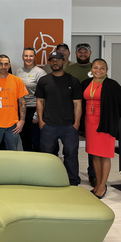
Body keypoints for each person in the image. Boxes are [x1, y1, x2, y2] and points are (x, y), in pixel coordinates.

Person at [35, 51, 82, 186]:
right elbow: (40, 101)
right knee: (47, 156)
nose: (55, 62)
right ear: (49, 62)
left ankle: (72, 181)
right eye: (52, 60)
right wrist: (41, 121)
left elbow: (77, 103)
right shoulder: (44, 80)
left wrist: (76, 123)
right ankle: (46, 180)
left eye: (58, 60)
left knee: (71, 155)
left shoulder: (73, 81)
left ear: (63, 61)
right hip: (48, 125)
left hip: (69, 126)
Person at [81, 58, 121, 199]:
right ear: (91, 69)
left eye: (102, 68)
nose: (98, 70)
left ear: (106, 70)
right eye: (95, 67)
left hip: (106, 123)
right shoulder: (86, 83)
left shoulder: (112, 85)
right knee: (94, 154)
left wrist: (112, 120)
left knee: (104, 154)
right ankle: (99, 183)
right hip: (90, 123)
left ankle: (101, 186)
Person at [65, 42, 96, 187]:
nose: (82, 54)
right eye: (80, 52)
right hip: (73, 112)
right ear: (75, 54)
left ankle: (93, 174)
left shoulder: (96, 69)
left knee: (92, 144)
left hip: (93, 113)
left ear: (90, 53)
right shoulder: (69, 69)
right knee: (72, 145)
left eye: (85, 52)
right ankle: (71, 175)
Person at [15, 47, 47, 151]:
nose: (28, 58)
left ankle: (38, 164)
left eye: (31, 56)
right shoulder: (18, 71)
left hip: (34, 109)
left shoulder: (40, 73)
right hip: (21, 109)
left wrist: (37, 115)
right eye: (26, 56)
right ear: (22, 57)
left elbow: (43, 96)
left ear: (34, 57)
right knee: (25, 139)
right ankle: (28, 163)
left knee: (36, 140)